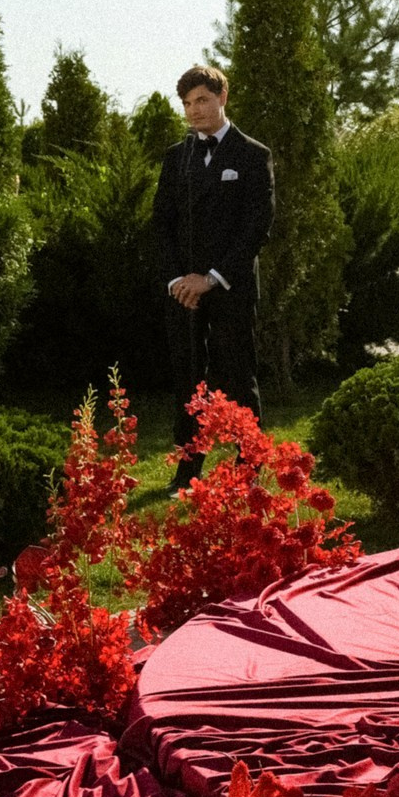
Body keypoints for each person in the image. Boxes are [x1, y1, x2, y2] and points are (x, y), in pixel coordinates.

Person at [150, 63, 273, 489]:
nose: (194, 111)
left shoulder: (253, 155)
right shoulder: (176, 157)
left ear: (222, 98)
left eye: (202, 100)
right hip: (183, 293)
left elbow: (256, 227)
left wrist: (213, 278)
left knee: (239, 376)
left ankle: (249, 467)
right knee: (188, 380)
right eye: (186, 104)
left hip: (229, 287)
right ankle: (188, 471)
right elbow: (160, 224)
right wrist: (175, 281)